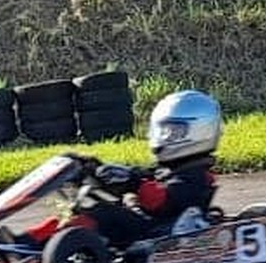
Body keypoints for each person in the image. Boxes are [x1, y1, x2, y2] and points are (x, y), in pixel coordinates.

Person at [78, 89, 223, 248]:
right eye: (162, 131)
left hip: (157, 233)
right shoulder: (171, 167)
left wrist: (134, 183)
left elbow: (164, 201)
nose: (164, 137)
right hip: (147, 225)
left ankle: (67, 248)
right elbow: (144, 174)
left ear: (199, 131)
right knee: (93, 205)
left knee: (101, 213)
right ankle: (54, 242)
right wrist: (94, 167)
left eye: (173, 132)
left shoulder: (195, 174)